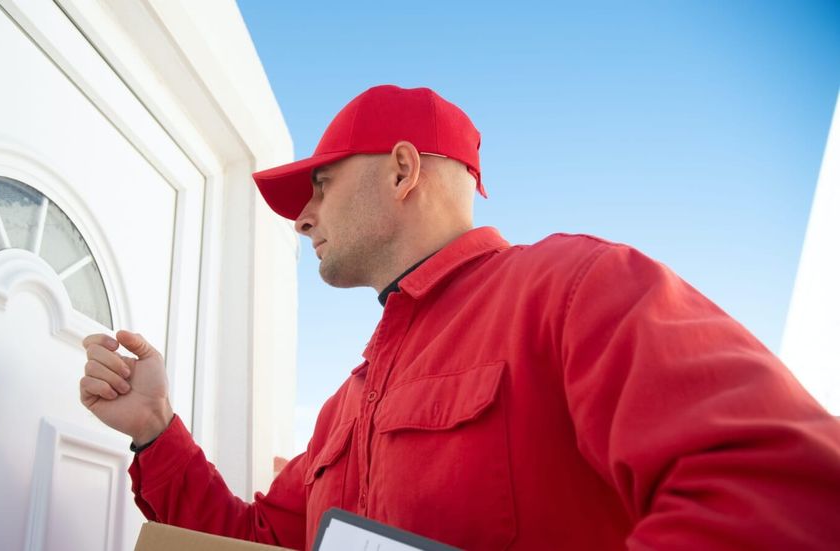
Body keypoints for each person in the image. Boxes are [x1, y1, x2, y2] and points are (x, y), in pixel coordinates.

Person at [81, 85, 840, 550]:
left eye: (321, 185)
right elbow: (260, 541)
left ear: (402, 169)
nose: (303, 218)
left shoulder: (572, 289)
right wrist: (155, 429)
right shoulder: (345, 406)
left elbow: (783, 492)